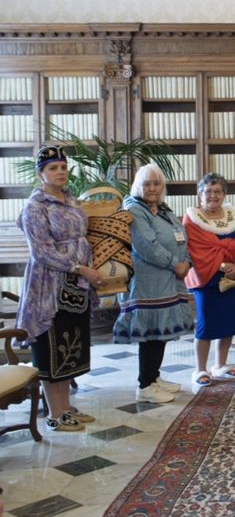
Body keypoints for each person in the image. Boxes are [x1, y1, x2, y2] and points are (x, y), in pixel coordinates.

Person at [16, 145, 105, 431]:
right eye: (53, 168)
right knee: (52, 344)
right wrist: (80, 268)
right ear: (41, 173)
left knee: (71, 344)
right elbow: (41, 251)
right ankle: (55, 414)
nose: (60, 172)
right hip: (49, 285)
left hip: (76, 284)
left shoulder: (71, 199)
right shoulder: (35, 206)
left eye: (63, 167)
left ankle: (66, 407)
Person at [114, 164, 195, 403]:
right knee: (150, 333)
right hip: (148, 283)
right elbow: (147, 245)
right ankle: (145, 384)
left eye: (156, 183)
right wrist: (175, 263)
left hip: (168, 281)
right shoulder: (134, 209)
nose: (152, 188)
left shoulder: (162, 209)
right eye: (147, 184)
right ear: (138, 186)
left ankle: (154, 377)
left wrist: (186, 261)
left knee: (159, 333)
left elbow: (181, 236)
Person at [184, 173, 235, 387]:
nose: (213, 196)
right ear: (200, 194)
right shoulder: (192, 218)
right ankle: (200, 369)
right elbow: (196, 250)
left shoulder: (233, 217)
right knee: (206, 325)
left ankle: (220, 365)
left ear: (224, 194)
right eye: (208, 191)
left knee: (229, 323)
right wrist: (221, 264)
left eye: (218, 191)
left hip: (232, 278)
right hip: (208, 279)